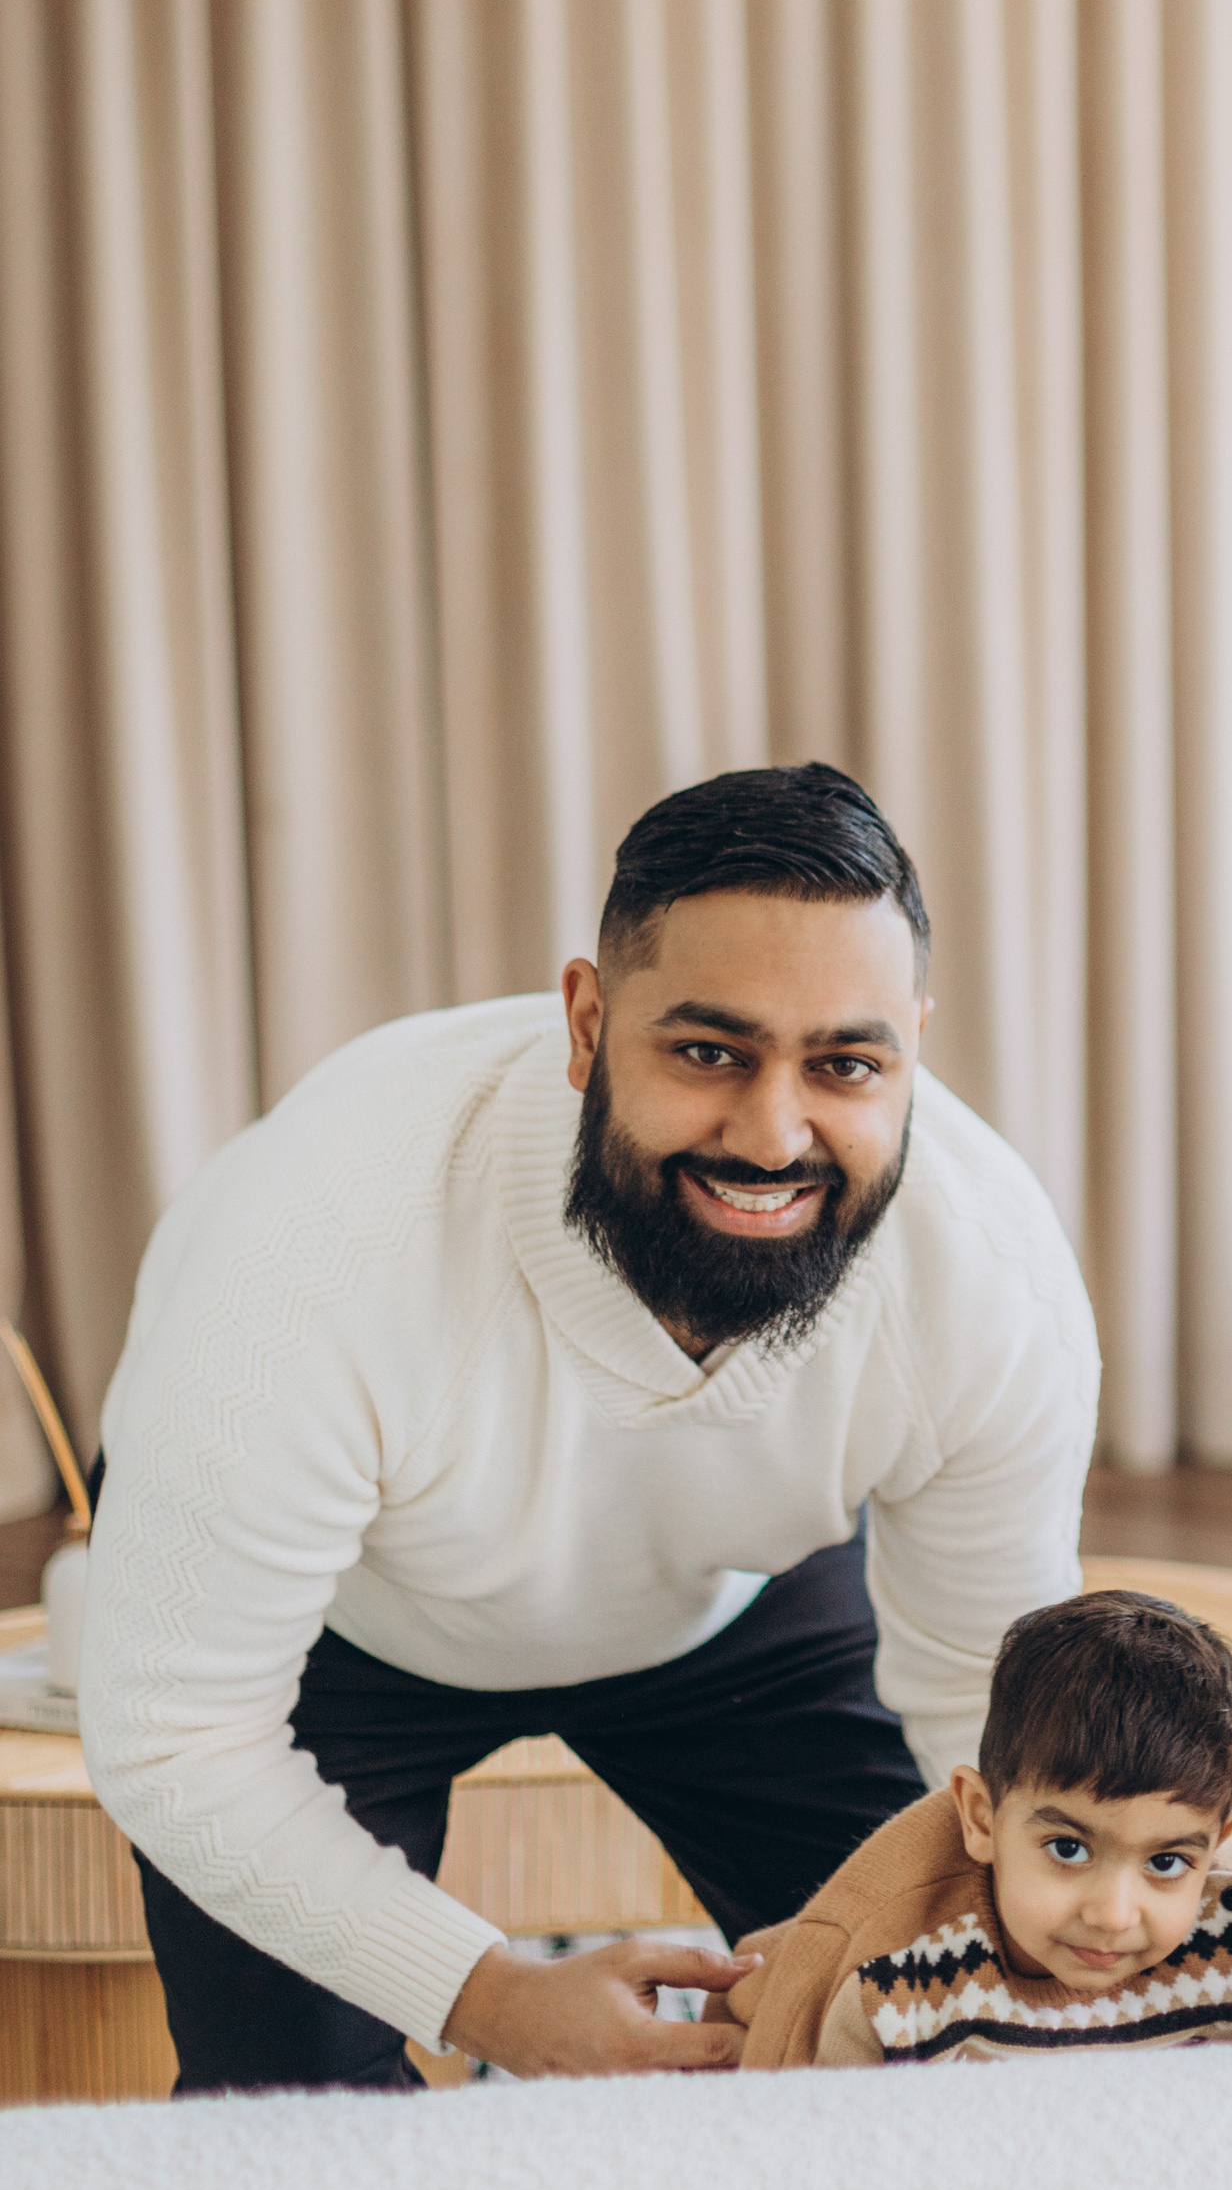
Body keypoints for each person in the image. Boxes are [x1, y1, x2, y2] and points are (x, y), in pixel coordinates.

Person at [81, 763, 1100, 2093]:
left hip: (736, 1607)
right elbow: (177, 1739)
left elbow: (985, 1709)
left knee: (943, 2035)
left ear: (914, 1043)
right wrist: (488, 1996)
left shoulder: (993, 1282)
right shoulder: (307, 1260)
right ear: (585, 1022)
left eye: (846, 1063)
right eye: (708, 1052)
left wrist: (923, 1949)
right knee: (288, 2141)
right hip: (348, 1627)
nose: (773, 1130)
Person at [732, 1587, 1232, 2066]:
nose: (1112, 1915)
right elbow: (803, 2154)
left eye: (1166, 1863)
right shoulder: (887, 1971)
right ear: (981, 1817)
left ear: (1216, 1845)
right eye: (1068, 1848)